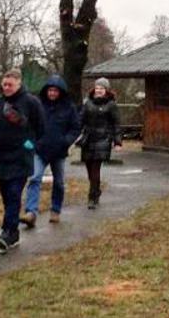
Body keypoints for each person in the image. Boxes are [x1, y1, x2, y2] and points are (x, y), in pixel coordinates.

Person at [0, 68, 44, 252]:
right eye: (4, 84)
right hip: (2, 156)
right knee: (6, 194)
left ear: (19, 84)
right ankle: (13, 233)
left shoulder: (31, 102)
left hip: (21, 156)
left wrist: (30, 144)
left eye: (10, 85)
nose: (7, 88)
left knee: (13, 193)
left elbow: (40, 128)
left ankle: (7, 231)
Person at [23, 75, 81, 225]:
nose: (52, 93)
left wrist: (66, 141)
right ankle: (31, 212)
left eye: (55, 91)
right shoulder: (38, 105)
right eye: (50, 90)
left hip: (59, 151)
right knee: (35, 178)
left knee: (59, 182)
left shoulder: (69, 108)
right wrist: (31, 142)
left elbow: (75, 128)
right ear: (46, 91)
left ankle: (55, 210)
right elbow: (29, 125)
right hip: (40, 149)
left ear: (60, 92)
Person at [78, 77, 122, 209]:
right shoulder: (87, 103)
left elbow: (116, 124)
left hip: (103, 139)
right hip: (88, 139)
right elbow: (80, 120)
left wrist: (117, 141)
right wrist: (75, 134)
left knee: (95, 168)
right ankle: (96, 189)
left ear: (106, 90)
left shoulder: (111, 105)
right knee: (89, 169)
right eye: (97, 88)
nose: (99, 90)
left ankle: (92, 198)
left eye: (101, 88)